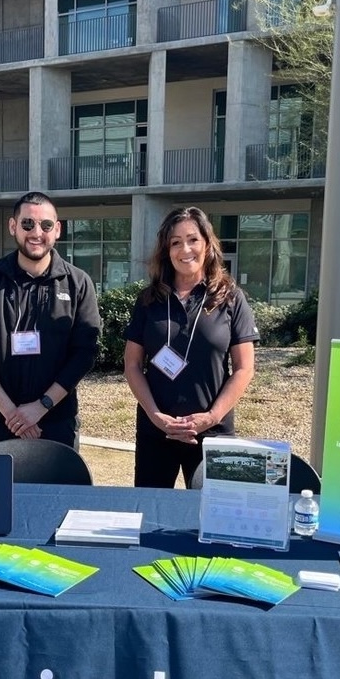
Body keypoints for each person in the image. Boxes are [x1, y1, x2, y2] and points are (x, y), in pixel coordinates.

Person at [123, 206, 259, 488]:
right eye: (175, 242)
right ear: (166, 250)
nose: (185, 249)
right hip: (157, 430)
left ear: (207, 244)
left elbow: (244, 368)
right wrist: (156, 417)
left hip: (212, 432)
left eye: (193, 239)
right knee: (150, 513)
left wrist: (211, 416)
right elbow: (133, 365)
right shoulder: (148, 300)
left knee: (213, 518)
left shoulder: (231, 298)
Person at [0, 191, 101, 449]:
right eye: (27, 224)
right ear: (13, 226)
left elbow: (85, 354)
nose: (37, 232)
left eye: (46, 225)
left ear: (57, 230)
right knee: (2, 491)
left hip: (57, 420)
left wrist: (41, 406)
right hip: (0, 420)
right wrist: (12, 413)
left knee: (58, 490)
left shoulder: (78, 283)